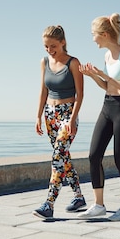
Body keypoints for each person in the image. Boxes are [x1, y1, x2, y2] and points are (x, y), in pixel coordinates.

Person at [78, 13, 120, 221]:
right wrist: (94, 75)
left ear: (104, 34)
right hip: (107, 106)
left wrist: (105, 76)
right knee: (94, 155)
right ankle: (99, 204)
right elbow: (107, 86)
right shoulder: (106, 57)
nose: (92, 38)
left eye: (93, 35)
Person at [33, 25, 87, 219]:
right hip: (50, 114)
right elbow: (43, 91)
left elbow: (80, 94)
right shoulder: (44, 62)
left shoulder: (73, 62)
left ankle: (49, 203)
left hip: (68, 114)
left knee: (57, 157)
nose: (49, 50)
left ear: (63, 42)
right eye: (46, 46)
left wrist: (72, 120)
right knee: (63, 156)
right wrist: (38, 115)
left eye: (53, 45)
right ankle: (79, 197)